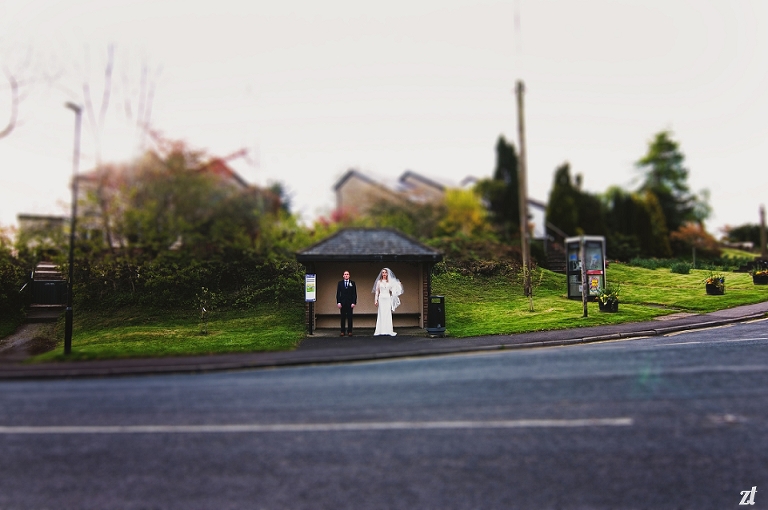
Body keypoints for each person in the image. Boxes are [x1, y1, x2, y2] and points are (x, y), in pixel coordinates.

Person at [372, 267, 403, 336]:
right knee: (381, 313)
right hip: (381, 298)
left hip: (388, 298)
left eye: (385, 273)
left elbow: (392, 290)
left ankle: (388, 330)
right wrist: (375, 300)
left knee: (387, 313)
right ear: (381, 274)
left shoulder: (390, 282)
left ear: (387, 274)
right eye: (383, 273)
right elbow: (377, 291)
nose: (384, 274)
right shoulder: (379, 282)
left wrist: (398, 285)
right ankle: (380, 330)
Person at [336, 270, 357, 336]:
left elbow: (354, 294)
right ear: (343, 276)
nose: (346, 275)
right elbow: (338, 293)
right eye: (345, 274)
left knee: (350, 317)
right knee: (342, 317)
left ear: (349, 275)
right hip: (342, 303)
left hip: (350, 303)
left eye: (347, 274)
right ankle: (342, 331)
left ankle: (350, 331)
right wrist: (338, 302)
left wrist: (354, 302)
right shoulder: (340, 283)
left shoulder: (352, 283)